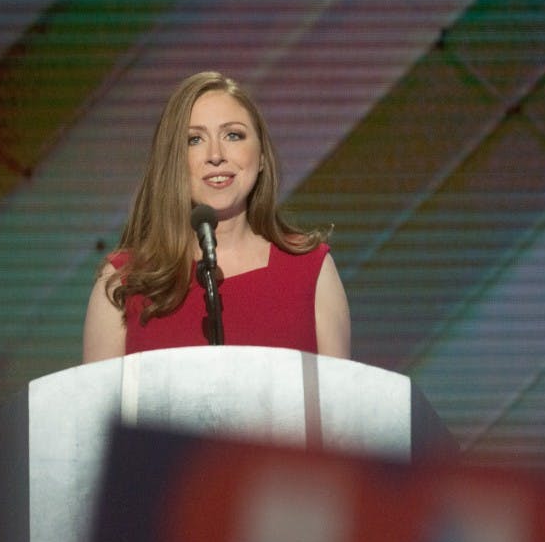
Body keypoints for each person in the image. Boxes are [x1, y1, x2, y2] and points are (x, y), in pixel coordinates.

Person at [82, 71, 350, 363]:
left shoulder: (310, 268)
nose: (215, 155)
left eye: (233, 135)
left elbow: (338, 404)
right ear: (172, 162)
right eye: (194, 139)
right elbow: (97, 406)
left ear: (261, 156)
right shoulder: (123, 279)